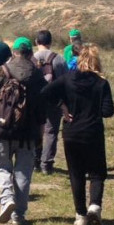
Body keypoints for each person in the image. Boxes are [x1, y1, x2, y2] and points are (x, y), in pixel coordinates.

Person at [41, 44, 114, 225]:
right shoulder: (101, 83)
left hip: (72, 133)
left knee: (76, 174)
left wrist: (62, 106)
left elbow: (44, 93)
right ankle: (95, 207)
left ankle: (81, 216)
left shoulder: (67, 79)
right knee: (97, 173)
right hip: (93, 132)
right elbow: (108, 111)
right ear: (96, 62)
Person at [0, 37, 47, 225]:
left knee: (1, 166)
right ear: (30, 53)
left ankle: (7, 198)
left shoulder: (1, 70)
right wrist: (41, 134)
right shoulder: (37, 75)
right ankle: (18, 215)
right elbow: (42, 109)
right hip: (28, 131)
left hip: (2, 128)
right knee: (23, 171)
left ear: (14, 52)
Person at [33, 30, 68, 175]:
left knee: (35, 129)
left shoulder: (31, 58)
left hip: (35, 100)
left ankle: (35, 161)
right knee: (51, 131)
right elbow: (65, 81)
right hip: (54, 100)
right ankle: (46, 163)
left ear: (36, 42)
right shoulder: (59, 59)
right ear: (50, 42)